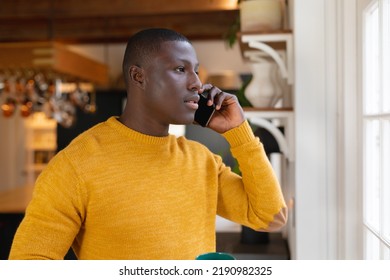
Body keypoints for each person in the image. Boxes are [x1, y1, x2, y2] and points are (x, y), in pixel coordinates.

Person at [9, 28, 287, 260]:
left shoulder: (200, 160)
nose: (197, 84)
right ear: (138, 76)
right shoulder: (75, 165)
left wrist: (239, 132)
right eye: (180, 69)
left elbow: (270, 217)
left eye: (196, 72)